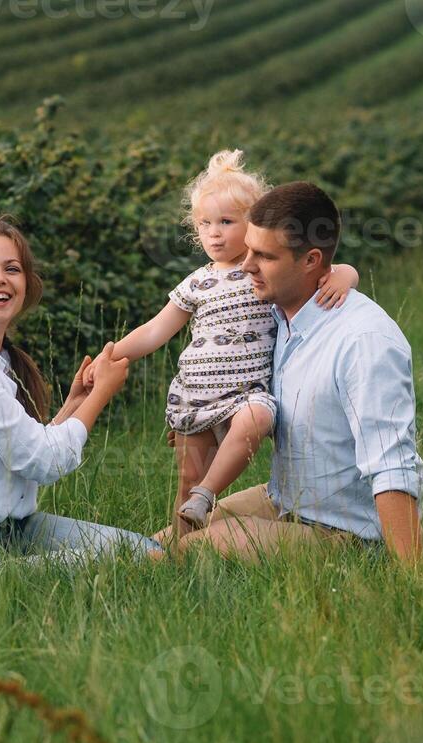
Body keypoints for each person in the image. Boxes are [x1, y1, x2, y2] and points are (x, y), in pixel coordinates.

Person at [89, 150, 359, 535]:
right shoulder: (197, 282)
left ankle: (208, 493)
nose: (213, 233)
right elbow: (155, 330)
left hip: (243, 394)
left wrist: (345, 275)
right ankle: (179, 555)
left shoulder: (265, 269)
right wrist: (112, 354)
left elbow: (332, 266)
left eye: (227, 222)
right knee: (183, 487)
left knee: (260, 417)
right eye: (204, 223)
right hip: (196, 393)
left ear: (253, 226)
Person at [172, 182, 423, 563]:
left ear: (310, 261)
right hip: (283, 501)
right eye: (249, 249)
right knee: (162, 543)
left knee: (188, 551)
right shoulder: (275, 317)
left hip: (343, 532)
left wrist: (414, 578)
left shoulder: (363, 340)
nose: (246, 266)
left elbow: (393, 465)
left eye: (264, 256)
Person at [0, 215, 161, 562]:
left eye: (12, 269)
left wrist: (75, 403)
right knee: (142, 560)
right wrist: (99, 396)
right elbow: (42, 461)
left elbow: (26, 449)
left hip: (12, 528)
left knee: (145, 552)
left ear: (26, 282)